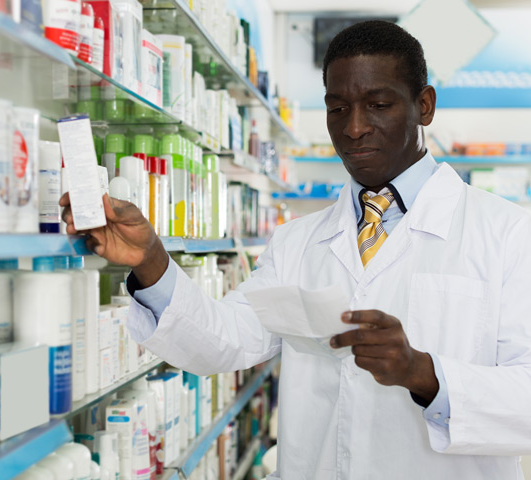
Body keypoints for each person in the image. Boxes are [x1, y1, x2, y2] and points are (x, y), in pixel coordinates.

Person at [61, 20, 531, 479]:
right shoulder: (297, 242)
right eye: (337, 108)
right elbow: (226, 342)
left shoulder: (507, 234)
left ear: (423, 105)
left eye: (379, 104)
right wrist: (152, 261)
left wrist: (424, 373)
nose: (354, 128)